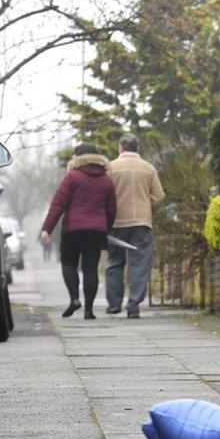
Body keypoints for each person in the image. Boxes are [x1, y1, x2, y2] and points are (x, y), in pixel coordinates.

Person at [41, 144, 117, 319]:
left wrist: (47, 228)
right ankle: (89, 310)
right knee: (90, 269)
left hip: (72, 230)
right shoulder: (106, 180)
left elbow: (58, 204)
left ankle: (74, 299)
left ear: (77, 157)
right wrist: (107, 228)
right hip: (96, 231)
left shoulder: (72, 177)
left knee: (68, 264)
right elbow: (111, 209)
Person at [105, 133, 165, 319]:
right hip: (141, 221)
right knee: (140, 263)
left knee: (115, 262)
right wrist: (146, 204)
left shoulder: (111, 168)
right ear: (137, 148)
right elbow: (159, 196)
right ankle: (134, 305)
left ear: (120, 147)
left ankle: (115, 304)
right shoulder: (148, 168)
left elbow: (104, 194)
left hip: (117, 222)